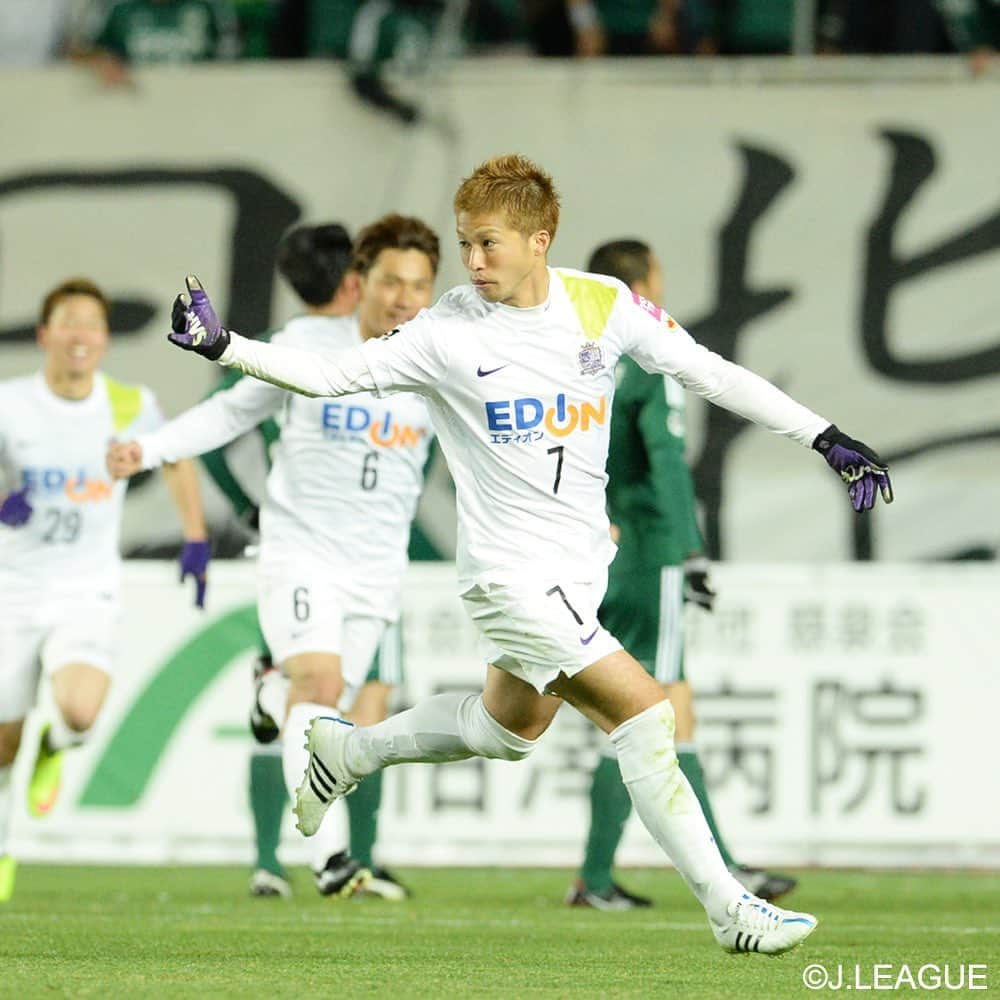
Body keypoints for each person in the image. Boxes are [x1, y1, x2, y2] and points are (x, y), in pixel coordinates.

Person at [159, 153, 893, 955]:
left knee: (506, 730)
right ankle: (729, 908)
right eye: (465, 244)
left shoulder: (601, 305)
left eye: (488, 245)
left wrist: (821, 435)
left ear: (540, 240)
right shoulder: (445, 332)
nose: (472, 262)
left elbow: (709, 372)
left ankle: (351, 747)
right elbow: (332, 374)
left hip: (579, 575)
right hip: (508, 580)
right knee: (646, 716)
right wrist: (226, 345)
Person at [108, 215, 440, 901]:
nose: (405, 297)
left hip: (376, 567)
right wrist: (153, 449)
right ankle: (334, 858)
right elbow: (230, 413)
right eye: (391, 281)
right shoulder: (308, 344)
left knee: (337, 718)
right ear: (361, 280)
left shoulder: (439, 359)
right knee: (319, 692)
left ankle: (269, 696)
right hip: (303, 551)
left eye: (420, 284)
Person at [566, 239, 795, 910]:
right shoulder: (646, 356)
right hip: (650, 549)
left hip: (606, 548)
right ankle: (598, 876)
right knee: (643, 716)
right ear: (643, 285)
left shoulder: (584, 359)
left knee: (671, 712)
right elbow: (666, 459)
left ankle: (722, 867)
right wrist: (691, 548)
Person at [0, 278, 209, 903]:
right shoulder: (11, 404)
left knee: (81, 713)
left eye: (92, 323)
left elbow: (173, 455)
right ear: (45, 335)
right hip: (12, 592)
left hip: (86, 590)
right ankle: (5, 850)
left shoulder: (127, 403)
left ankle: (56, 745)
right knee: (0, 746)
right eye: (67, 322)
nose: (80, 334)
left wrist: (195, 538)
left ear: (103, 339)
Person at [74, 0, 240, 87]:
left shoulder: (208, 7)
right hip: (134, 108)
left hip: (199, 110)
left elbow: (233, 61)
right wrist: (103, 60)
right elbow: (79, 49)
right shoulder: (119, 8)